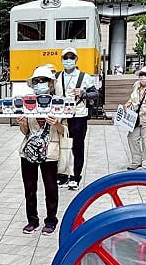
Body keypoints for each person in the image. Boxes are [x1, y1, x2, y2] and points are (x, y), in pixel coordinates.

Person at [17, 66, 65, 235]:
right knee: (29, 187)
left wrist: (55, 123)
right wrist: (22, 122)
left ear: (51, 83)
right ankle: (32, 220)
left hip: (49, 150)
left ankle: (51, 220)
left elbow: (63, 131)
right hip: (28, 150)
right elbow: (25, 131)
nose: (39, 84)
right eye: (36, 81)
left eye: (42, 81)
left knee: (50, 187)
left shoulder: (58, 102)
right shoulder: (27, 102)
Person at [55, 47, 96, 190]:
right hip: (61, 116)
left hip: (78, 115)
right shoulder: (57, 77)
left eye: (71, 57)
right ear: (61, 59)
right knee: (62, 145)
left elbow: (96, 94)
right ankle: (62, 175)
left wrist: (84, 93)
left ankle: (75, 176)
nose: (68, 60)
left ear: (76, 59)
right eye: (66, 57)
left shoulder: (85, 77)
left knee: (77, 147)